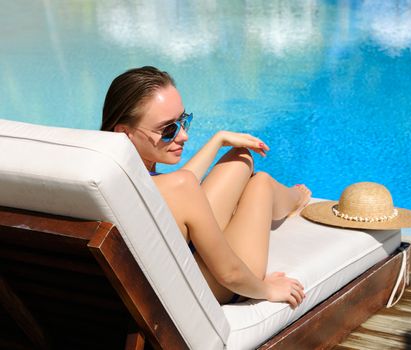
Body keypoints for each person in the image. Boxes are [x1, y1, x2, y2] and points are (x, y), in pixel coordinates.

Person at [101, 66, 311, 308]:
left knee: (240, 157)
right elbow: (230, 274)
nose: (183, 136)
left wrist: (219, 139)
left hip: (179, 262)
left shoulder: (104, 172)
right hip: (211, 287)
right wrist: (267, 289)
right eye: (168, 130)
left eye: (183, 121)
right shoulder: (178, 186)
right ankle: (294, 199)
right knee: (260, 184)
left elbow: (176, 188)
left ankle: (290, 199)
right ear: (125, 133)